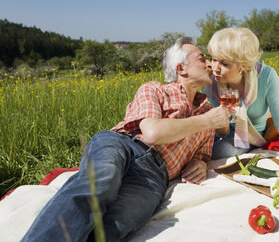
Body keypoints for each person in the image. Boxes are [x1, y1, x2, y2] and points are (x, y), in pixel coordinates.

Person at [21, 37, 231, 242]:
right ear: (181, 69)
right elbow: (152, 133)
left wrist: (200, 163)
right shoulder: (155, 88)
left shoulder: (208, 112)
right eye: (202, 58)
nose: (211, 65)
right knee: (102, 180)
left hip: (155, 177)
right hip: (124, 145)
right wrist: (206, 121)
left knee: (121, 221)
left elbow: (202, 155)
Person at [203, 27, 279, 166]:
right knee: (199, 149)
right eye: (214, 59)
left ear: (242, 65)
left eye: (224, 63)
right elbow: (220, 132)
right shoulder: (214, 83)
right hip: (223, 132)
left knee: (223, 152)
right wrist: (224, 117)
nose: (215, 68)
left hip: (252, 135)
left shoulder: (266, 76)